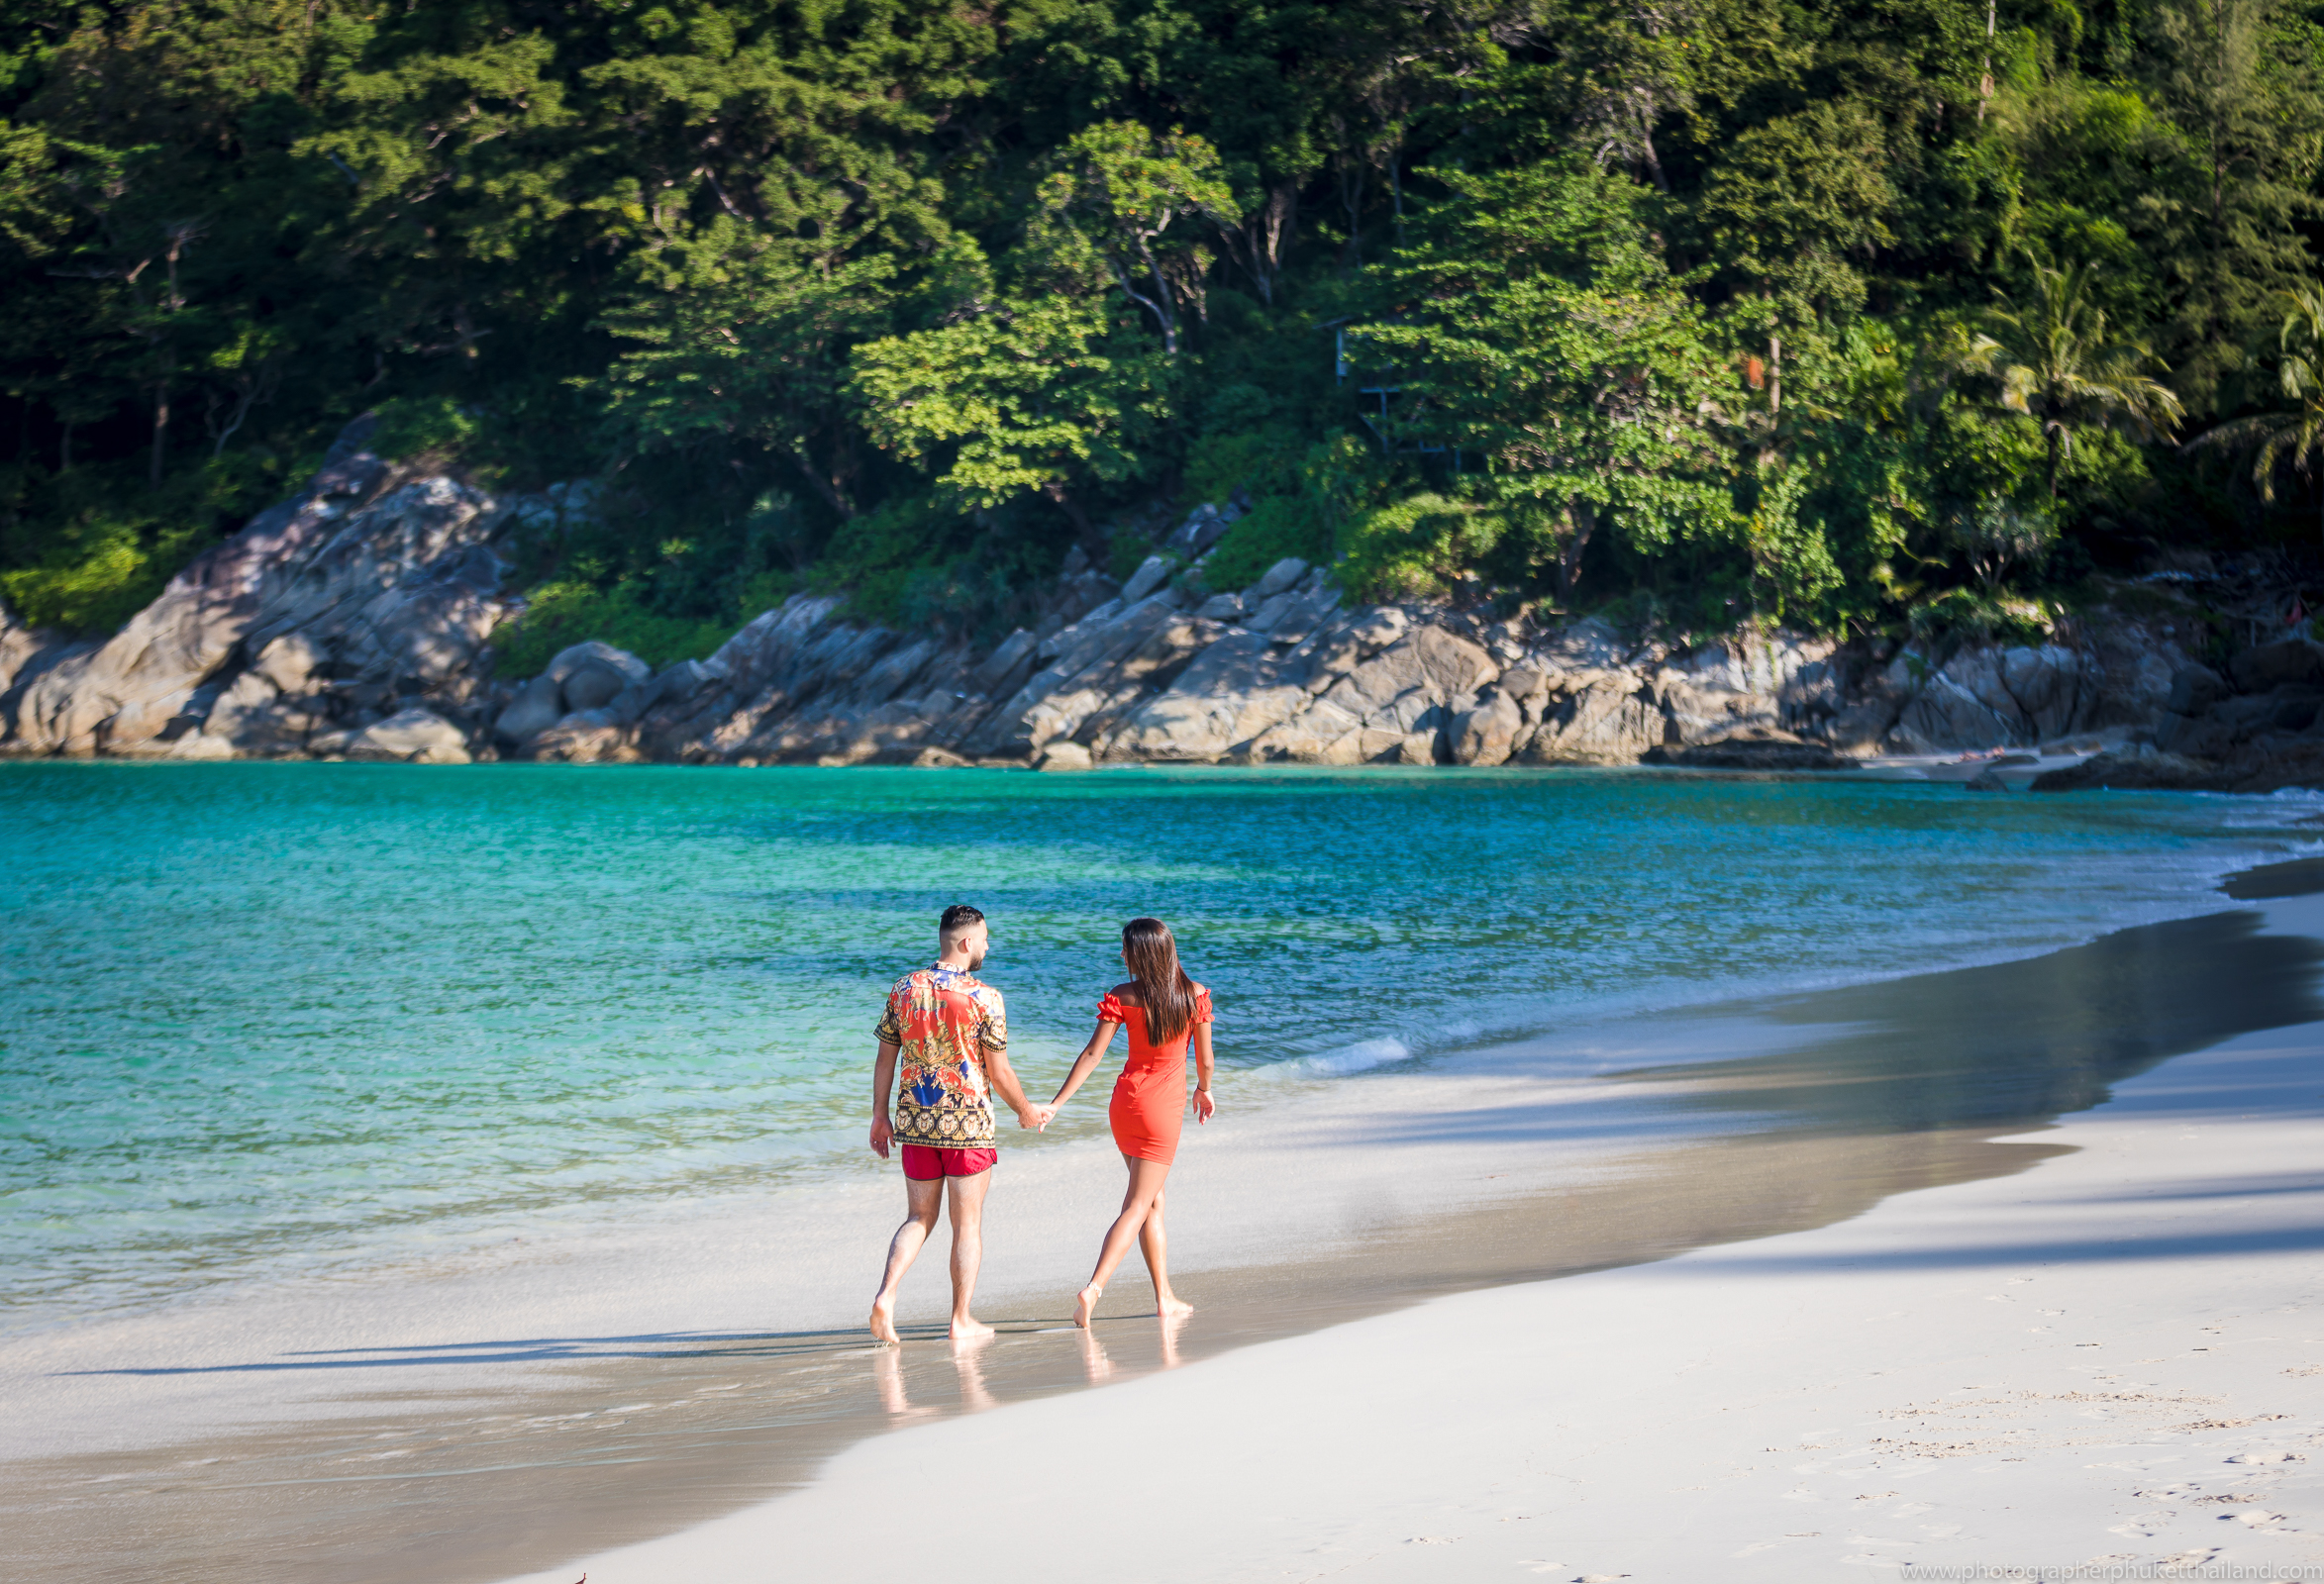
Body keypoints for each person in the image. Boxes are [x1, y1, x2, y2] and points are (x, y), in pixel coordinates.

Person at [867, 904, 1046, 1345]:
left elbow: (885, 1059)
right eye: (984, 939)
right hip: (968, 1127)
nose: (987, 946)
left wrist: (879, 1115)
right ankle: (960, 1320)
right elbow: (999, 1073)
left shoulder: (904, 989)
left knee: (918, 1217)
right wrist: (1026, 1111)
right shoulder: (985, 997)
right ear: (967, 942)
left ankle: (886, 1295)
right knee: (966, 1226)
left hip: (915, 1122)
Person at [1041, 916, 1216, 1328]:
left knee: (1152, 1201)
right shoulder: (1195, 996)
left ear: (1143, 954)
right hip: (1162, 1111)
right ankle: (1094, 1289)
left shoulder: (1123, 996)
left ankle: (1164, 1296)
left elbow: (1091, 1055)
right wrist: (1204, 1089)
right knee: (1139, 1204)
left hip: (1125, 1105)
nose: (1122, 955)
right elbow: (1205, 1061)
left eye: (1126, 949)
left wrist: (1057, 1103)